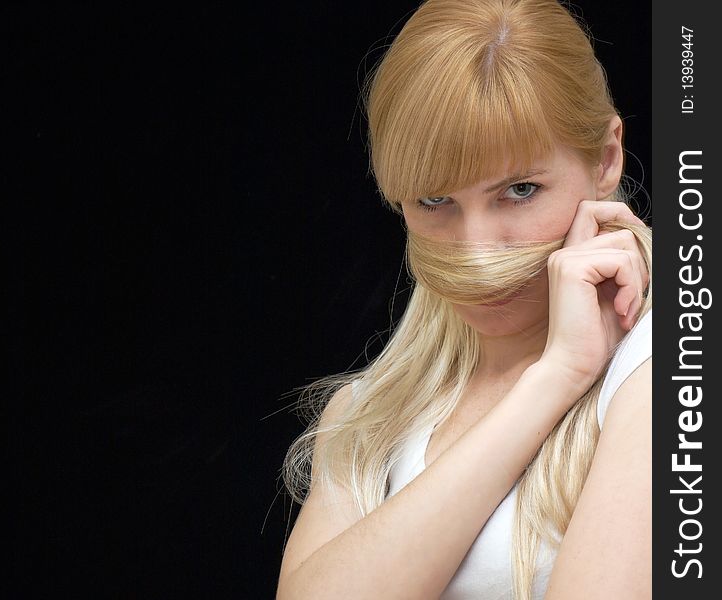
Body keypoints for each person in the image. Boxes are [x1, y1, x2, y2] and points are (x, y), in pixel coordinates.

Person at [277, 0, 652, 598]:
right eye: (434, 202)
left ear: (605, 159)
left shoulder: (673, 367)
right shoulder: (366, 415)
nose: (477, 251)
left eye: (519, 191)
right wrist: (555, 377)